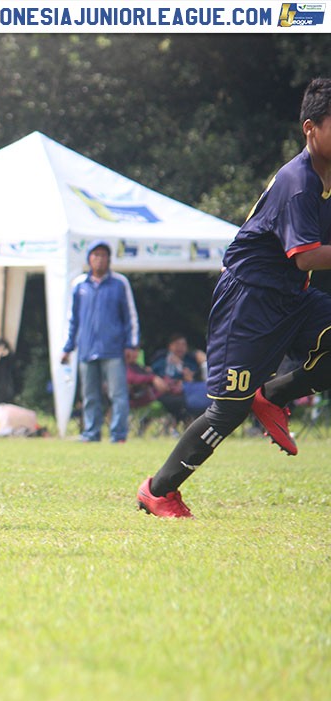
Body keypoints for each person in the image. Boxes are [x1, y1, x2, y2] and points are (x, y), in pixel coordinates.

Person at [138, 77, 331, 518]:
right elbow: (306, 257)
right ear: (310, 128)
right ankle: (157, 491)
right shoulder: (298, 182)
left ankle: (274, 395)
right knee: (227, 411)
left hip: (292, 298)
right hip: (249, 301)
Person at [61, 241, 141, 443]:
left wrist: (131, 344)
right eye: (95, 255)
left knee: (118, 394)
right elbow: (72, 319)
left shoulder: (119, 283)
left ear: (109, 259)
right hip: (87, 348)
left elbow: (130, 316)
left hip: (113, 349)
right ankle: (91, 432)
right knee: (90, 395)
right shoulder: (80, 284)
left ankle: (118, 434)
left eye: (103, 255)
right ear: (89, 259)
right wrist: (68, 347)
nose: (99, 259)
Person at [150, 333, 210, 421]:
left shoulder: (189, 362)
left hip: (188, 392)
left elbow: (196, 379)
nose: (180, 347)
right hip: (167, 393)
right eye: (177, 344)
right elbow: (153, 374)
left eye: (183, 345)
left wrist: (189, 377)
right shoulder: (162, 360)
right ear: (170, 346)